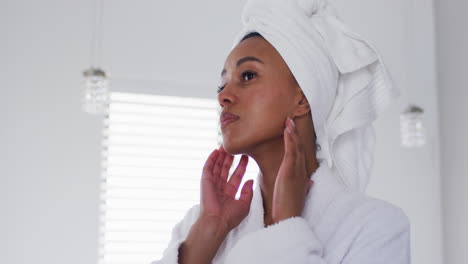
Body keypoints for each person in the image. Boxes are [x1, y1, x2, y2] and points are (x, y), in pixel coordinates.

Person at [152, 0, 410, 263]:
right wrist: (207, 233)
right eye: (222, 86)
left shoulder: (374, 226)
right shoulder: (200, 226)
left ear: (303, 97)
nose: (224, 97)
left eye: (248, 76)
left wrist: (287, 226)